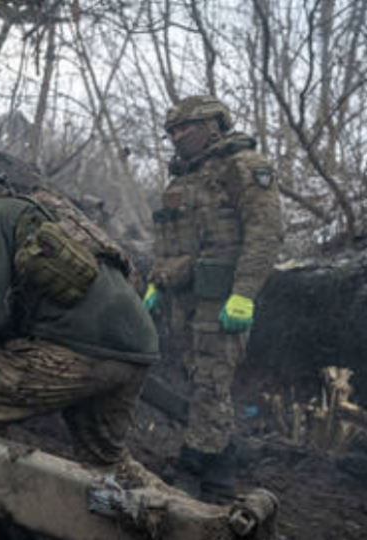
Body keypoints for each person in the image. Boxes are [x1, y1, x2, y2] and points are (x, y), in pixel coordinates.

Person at [0, 166, 161, 481]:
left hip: (80, 348)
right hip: (136, 347)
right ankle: (185, 520)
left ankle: (11, 514)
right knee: (106, 463)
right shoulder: (35, 214)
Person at [145, 96, 283, 499]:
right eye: (172, 130)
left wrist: (244, 295)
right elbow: (168, 241)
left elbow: (266, 232)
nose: (177, 136)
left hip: (221, 301)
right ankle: (220, 459)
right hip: (185, 301)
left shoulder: (242, 167)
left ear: (214, 125)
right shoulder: (181, 180)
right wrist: (156, 284)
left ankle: (206, 476)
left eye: (186, 127)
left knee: (211, 382)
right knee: (196, 378)